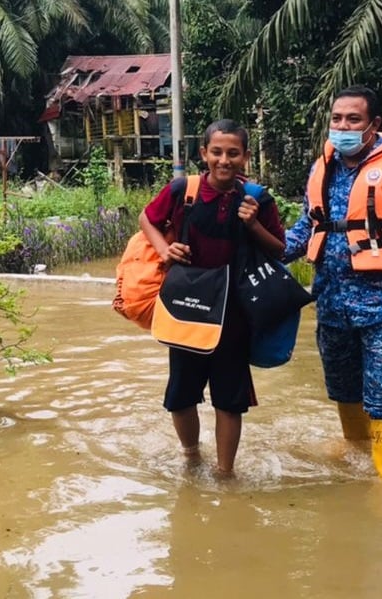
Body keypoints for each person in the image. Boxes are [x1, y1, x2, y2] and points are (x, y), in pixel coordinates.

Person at [284, 85, 382, 480]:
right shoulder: (324, 168)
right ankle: (355, 452)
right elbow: (306, 228)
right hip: (332, 302)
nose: (343, 126)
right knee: (342, 386)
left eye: (353, 119)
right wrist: (257, 241)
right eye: (337, 119)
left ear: (374, 125)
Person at [139, 119, 285, 476]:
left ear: (246, 157)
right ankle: (191, 456)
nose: (224, 160)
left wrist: (253, 225)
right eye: (216, 152)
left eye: (233, 153)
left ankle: (225, 472)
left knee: (230, 399)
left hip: (234, 315)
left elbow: (279, 249)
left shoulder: (257, 199)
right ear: (203, 153)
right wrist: (163, 250)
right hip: (186, 310)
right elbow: (147, 218)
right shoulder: (181, 191)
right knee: (181, 394)